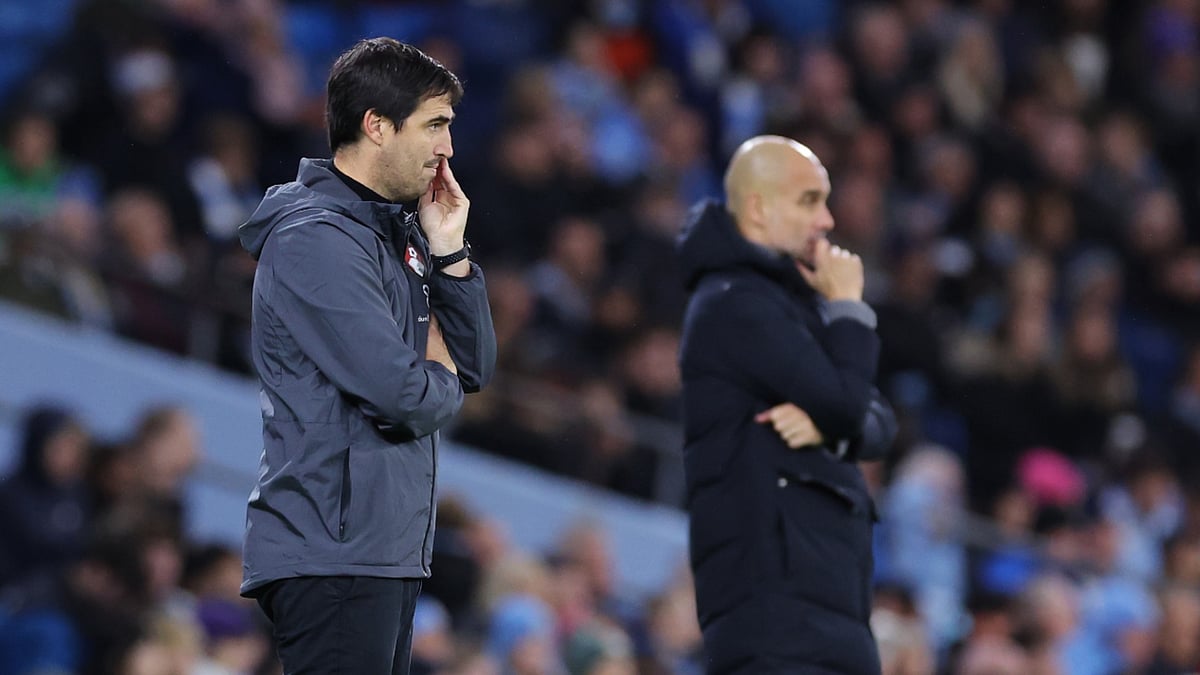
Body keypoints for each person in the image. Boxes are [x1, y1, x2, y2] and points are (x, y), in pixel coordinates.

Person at [237, 37, 497, 674]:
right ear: (376, 126)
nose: (448, 148)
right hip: (332, 553)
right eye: (435, 125)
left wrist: (451, 255)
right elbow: (404, 393)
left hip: (382, 551)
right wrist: (441, 377)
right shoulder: (315, 240)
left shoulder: (397, 230)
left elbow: (478, 364)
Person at [676, 135, 897, 674]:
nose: (826, 220)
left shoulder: (788, 304)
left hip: (823, 614)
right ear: (757, 207)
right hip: (779, 623)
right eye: (808, 201)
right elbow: (851, 405)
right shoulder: (738, 305)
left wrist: (830, 428)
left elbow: (879, 421)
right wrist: (848, 308)